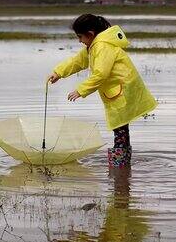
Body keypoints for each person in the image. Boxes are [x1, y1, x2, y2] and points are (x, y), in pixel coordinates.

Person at [47, 14, 157, 167]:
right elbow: (77, 61)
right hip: (119, 90)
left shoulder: (102, 46)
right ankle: (122, 168)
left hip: (122, 91)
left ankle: (119, 168)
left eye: (80, 37)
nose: (79, 41)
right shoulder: (94, 46)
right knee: (121, 129)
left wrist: (81, 90)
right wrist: (58, 72)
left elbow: (101, 74)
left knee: (120, 129)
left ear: (90, 34)